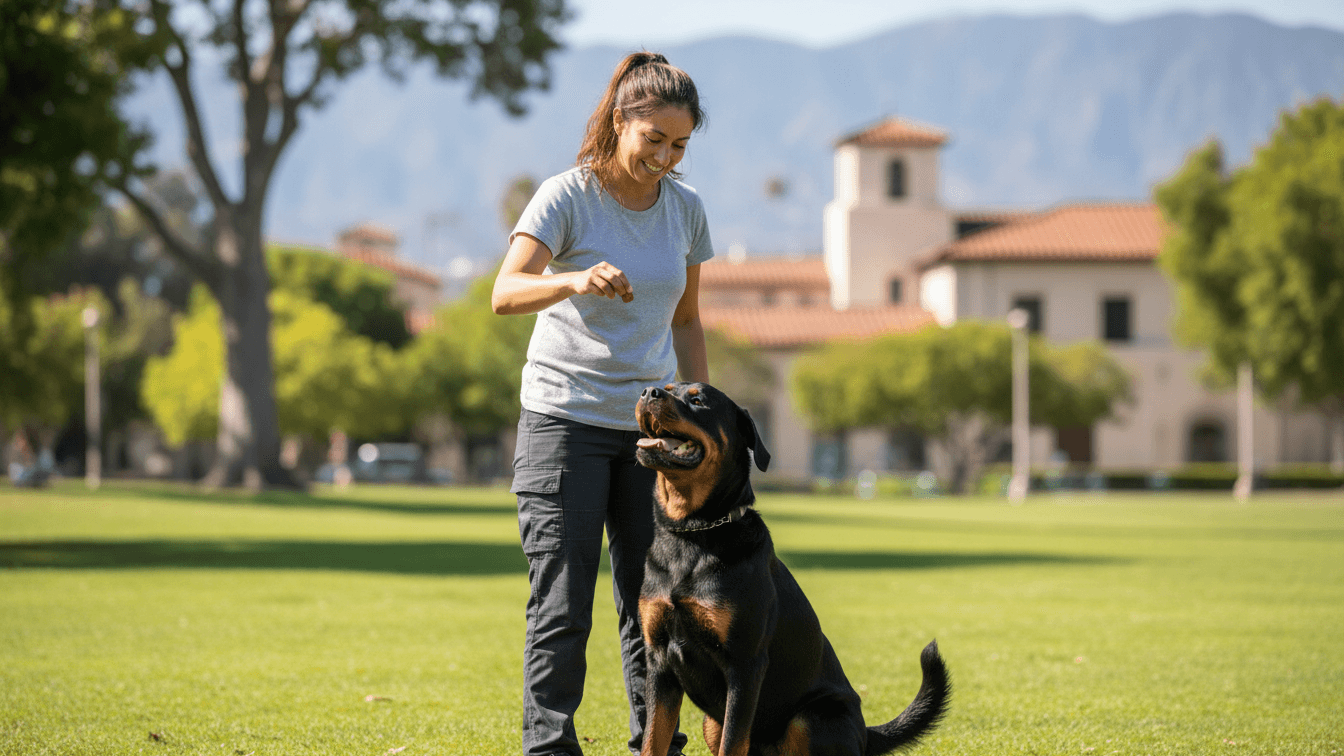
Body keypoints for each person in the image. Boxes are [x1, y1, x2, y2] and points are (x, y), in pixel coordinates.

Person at [491, 51, 712, 756]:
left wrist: (700, 419)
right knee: (561, 604)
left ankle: (656, 746)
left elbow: (685, 320)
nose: (666, 157)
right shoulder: (566, 196)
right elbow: (505, 292)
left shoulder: (686, 209)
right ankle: (550, 748)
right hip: (563, 423)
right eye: (655, 140)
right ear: (623, 121)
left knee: (653, 610)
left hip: (647, 435)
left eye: (680, 145)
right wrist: (574, 279)